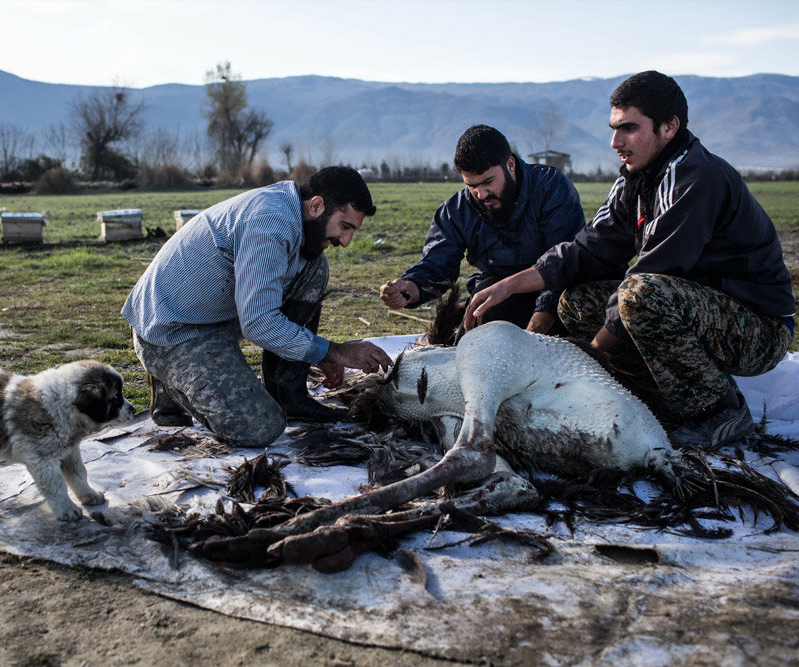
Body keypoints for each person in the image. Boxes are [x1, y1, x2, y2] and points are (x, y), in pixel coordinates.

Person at [463, 71, 795, 449]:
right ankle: (669, 387)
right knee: (574, 302)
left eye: (629, 128)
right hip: (700, 308)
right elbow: (587, 249)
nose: (614, 142)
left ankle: (720, 409)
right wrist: (508, 285)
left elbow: (651, 274)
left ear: (669, 127)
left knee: (639, 296)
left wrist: (587, 363)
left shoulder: (695, 177)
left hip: (758, 327)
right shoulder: (634, 179)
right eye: (613, 129)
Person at [122, 166, 393, 447]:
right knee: (260, 427)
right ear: (316, 206)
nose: (346, 242)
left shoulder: (290, 212)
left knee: (314, 267)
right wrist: (334, 351)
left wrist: (319, 353)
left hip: (213, 316)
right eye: (345, 226)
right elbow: (259, 323)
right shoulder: (268, 223)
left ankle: (288, 395)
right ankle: (170, 381)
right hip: (172, 330)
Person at [379, 124, 585, 332]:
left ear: (510, 165)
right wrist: (408, 288)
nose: (482, 194)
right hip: (501, 292)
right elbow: (437, 265)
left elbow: (563, 264)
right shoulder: (457, 210)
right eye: (472, 186)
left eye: (488, 182)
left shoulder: (550, 187)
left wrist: (535, 331)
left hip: (556, 291)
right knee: (482, 310)